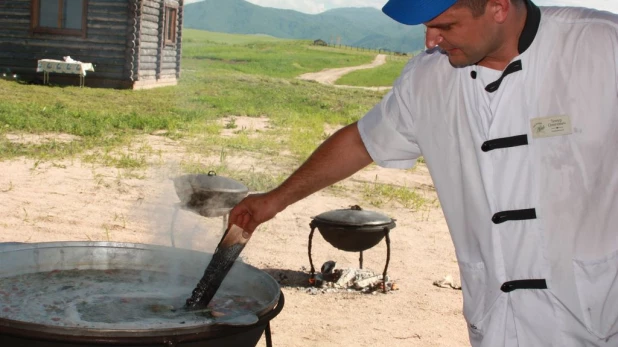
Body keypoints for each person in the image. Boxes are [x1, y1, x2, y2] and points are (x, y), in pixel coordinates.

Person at [229, 0, 618, 346]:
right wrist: (272, 200)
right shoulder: (428, 79)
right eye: (425, 28)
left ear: (498, 7)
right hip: (499, 320)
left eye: (445, 25)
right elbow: (362, 142)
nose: (431, 41)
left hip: (596, 316)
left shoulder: (601, 46)